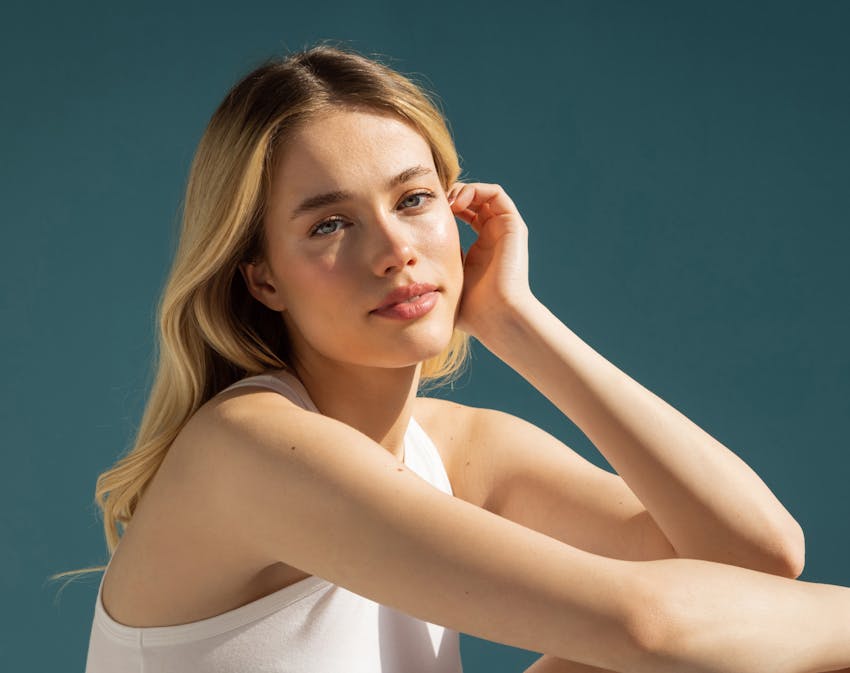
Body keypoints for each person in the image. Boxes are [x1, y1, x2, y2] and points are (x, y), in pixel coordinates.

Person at [53, 42, 850, 673]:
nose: (395, 250)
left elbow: (755, 558)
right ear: (262, 277)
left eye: (413, 200)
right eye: (330, 225)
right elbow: (648, 625)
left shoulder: (460, 450)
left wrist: (515, 320)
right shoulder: (250, 446)